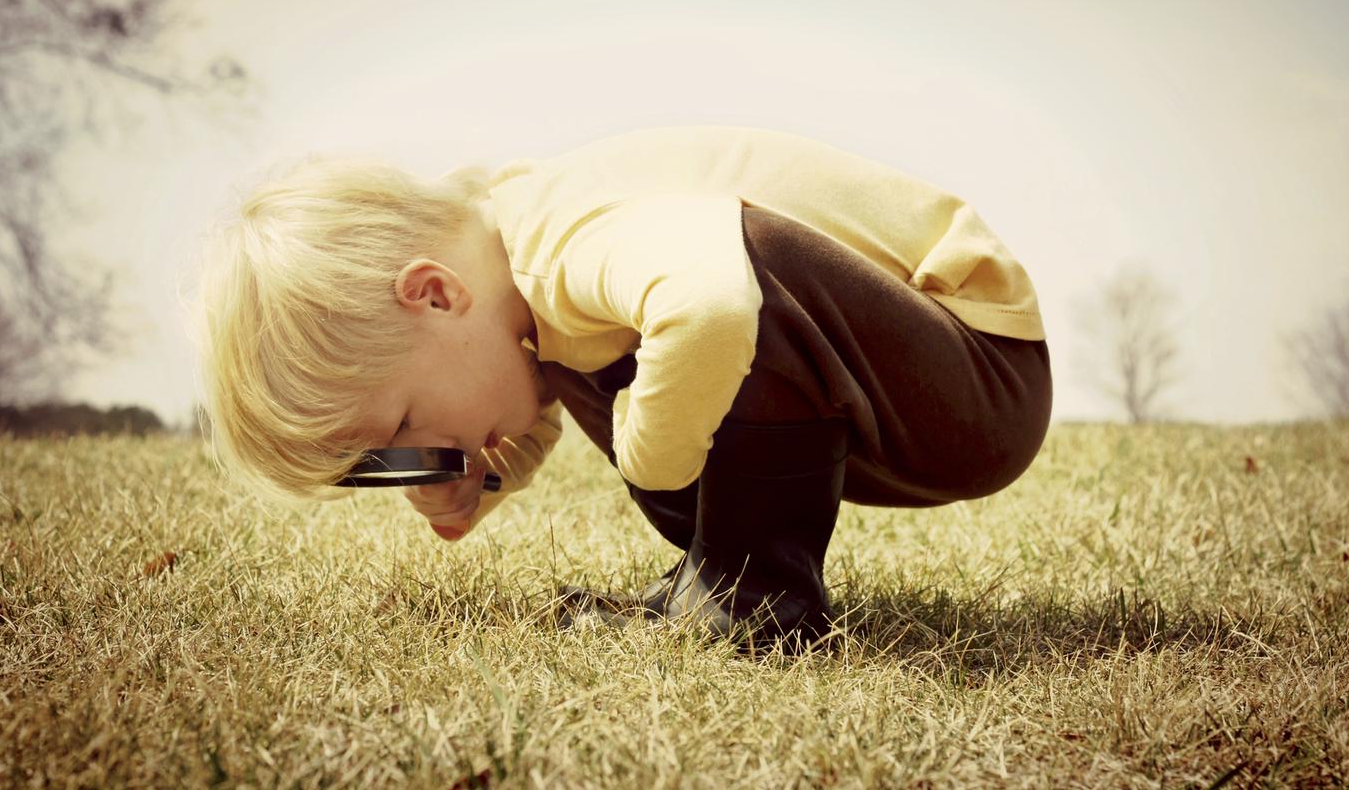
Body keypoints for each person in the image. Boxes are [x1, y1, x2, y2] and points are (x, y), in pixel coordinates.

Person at [193, 125, 1052, 654]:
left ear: (433, 293)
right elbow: (533, 382)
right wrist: (472, 479)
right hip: (900, 382)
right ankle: (728, 567)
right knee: (599, 352)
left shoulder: (562, 241)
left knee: (719, 291)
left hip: (975, 372)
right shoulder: (515, 268)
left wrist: (653, 461)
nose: (426, 452)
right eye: (399, 460)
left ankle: (753, 600)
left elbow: (714, 308)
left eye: (408, 426)